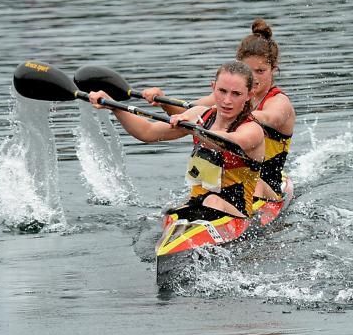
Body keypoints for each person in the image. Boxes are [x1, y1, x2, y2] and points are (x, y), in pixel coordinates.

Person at [88, 61, 265, 220]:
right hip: (197, 205)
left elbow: (224, 141)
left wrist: (193, 128)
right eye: (222, 91)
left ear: (249, 95)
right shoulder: (199, 115)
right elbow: (147, 132)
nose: (227, 100)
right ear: (213, 88)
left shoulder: (252, 130)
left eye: (236, 94)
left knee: (212, 201)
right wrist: (113, 106)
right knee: (175, 211)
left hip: (236, 213)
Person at [144, 19, 295, 202]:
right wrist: (163, 100)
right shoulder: (229, 98)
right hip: (230, 185)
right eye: (249, 70)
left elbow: (270, 117)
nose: (254, 78)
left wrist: (223, 110)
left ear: (273, 69)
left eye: (261, 71)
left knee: (254, 184)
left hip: (266, 187)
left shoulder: (279, 102)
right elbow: (189, 112)